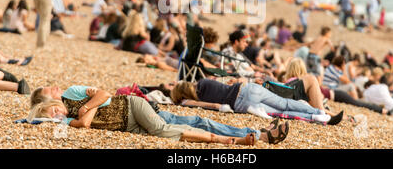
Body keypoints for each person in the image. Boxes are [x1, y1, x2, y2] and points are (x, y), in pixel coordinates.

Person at [29, 86, 283, 145]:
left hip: (133, 108)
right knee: (198, 120)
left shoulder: (72, 93)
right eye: (49, 91)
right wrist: (88, 109)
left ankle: (242, 138)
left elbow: (104, 93)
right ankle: (260, 135)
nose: (54, 88)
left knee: (170, 129)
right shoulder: (63, 116)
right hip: (131, 119)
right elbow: (84, 122)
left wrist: (87, 106)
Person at [171, 79, 343, 124]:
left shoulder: (189, 101)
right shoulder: (203, 82)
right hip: (247, 88)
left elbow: (213, 106)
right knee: (284, 103)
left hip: (242, 103)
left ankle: (316, 118)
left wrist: (223, 108)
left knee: (282, 113)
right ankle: (318, 111)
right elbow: (224, 85)